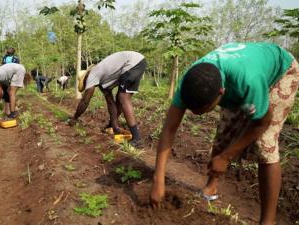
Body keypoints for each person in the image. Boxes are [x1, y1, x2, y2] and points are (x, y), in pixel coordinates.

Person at [150, 42, 298, 225]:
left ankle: (268, 221)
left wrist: (226, 157)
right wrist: (158, 179)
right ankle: (211, 188)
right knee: (224, 132)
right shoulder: (190, 81)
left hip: (281, 71)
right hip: (240, 75)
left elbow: (262, 122)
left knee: (265, 144)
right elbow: (169, 128)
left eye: (203, 110)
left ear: (222, 93)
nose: (196, 114)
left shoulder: (248, 82)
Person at [68, 51, 147, 147]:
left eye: (85, 84)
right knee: (120, 98)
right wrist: (113, 125)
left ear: (85, 79)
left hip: (132, 63)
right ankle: (113, 125)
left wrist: (74, 118)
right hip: (139, 62)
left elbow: (85, 101)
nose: (87, 86)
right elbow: (110, 103)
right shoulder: (102, 81)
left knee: (123, 98)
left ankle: (137, 138)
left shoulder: (92, 75)